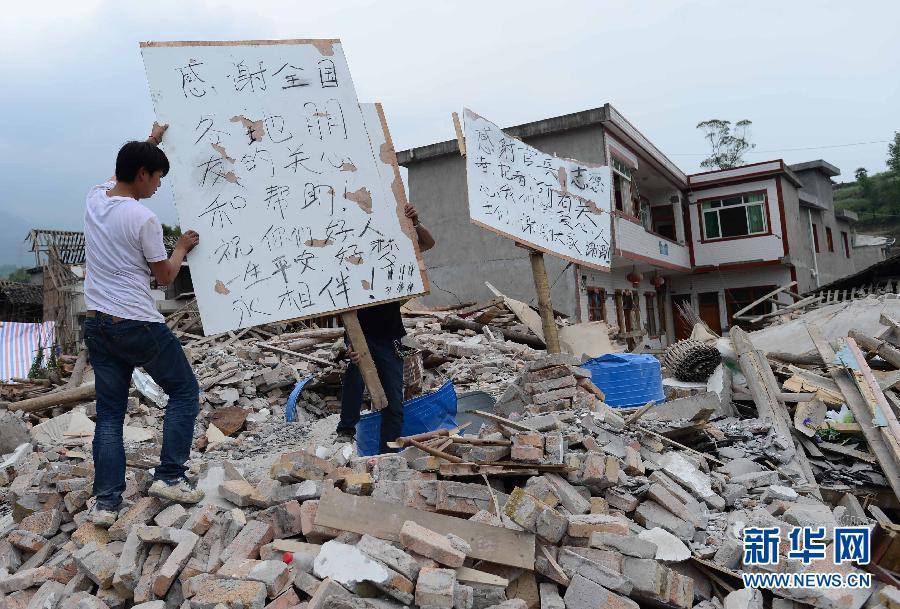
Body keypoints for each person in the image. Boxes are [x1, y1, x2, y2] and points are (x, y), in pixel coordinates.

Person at [84, 122, 204, 527]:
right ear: (142, 174)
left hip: (98, 324)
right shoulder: (143, 218)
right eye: (157, 178)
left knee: (111, 414)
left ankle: (105, 503)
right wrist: (183, 247)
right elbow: (165, 277)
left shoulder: (94, 199)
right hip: (137, 323)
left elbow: (114, 176)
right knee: (185, 391)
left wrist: (150, 143)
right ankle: (170, 475)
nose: (158, 186)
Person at [336, 204, 435, 452]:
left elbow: (428, 243)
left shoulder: (395, 255)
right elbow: (343, 310)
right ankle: (346, 431)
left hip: (391, 338)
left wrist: (415, 222)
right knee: (356, 377)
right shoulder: (349, 261)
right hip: (362, 335)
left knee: (394, 402)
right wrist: (350, 345)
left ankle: (387, 455)